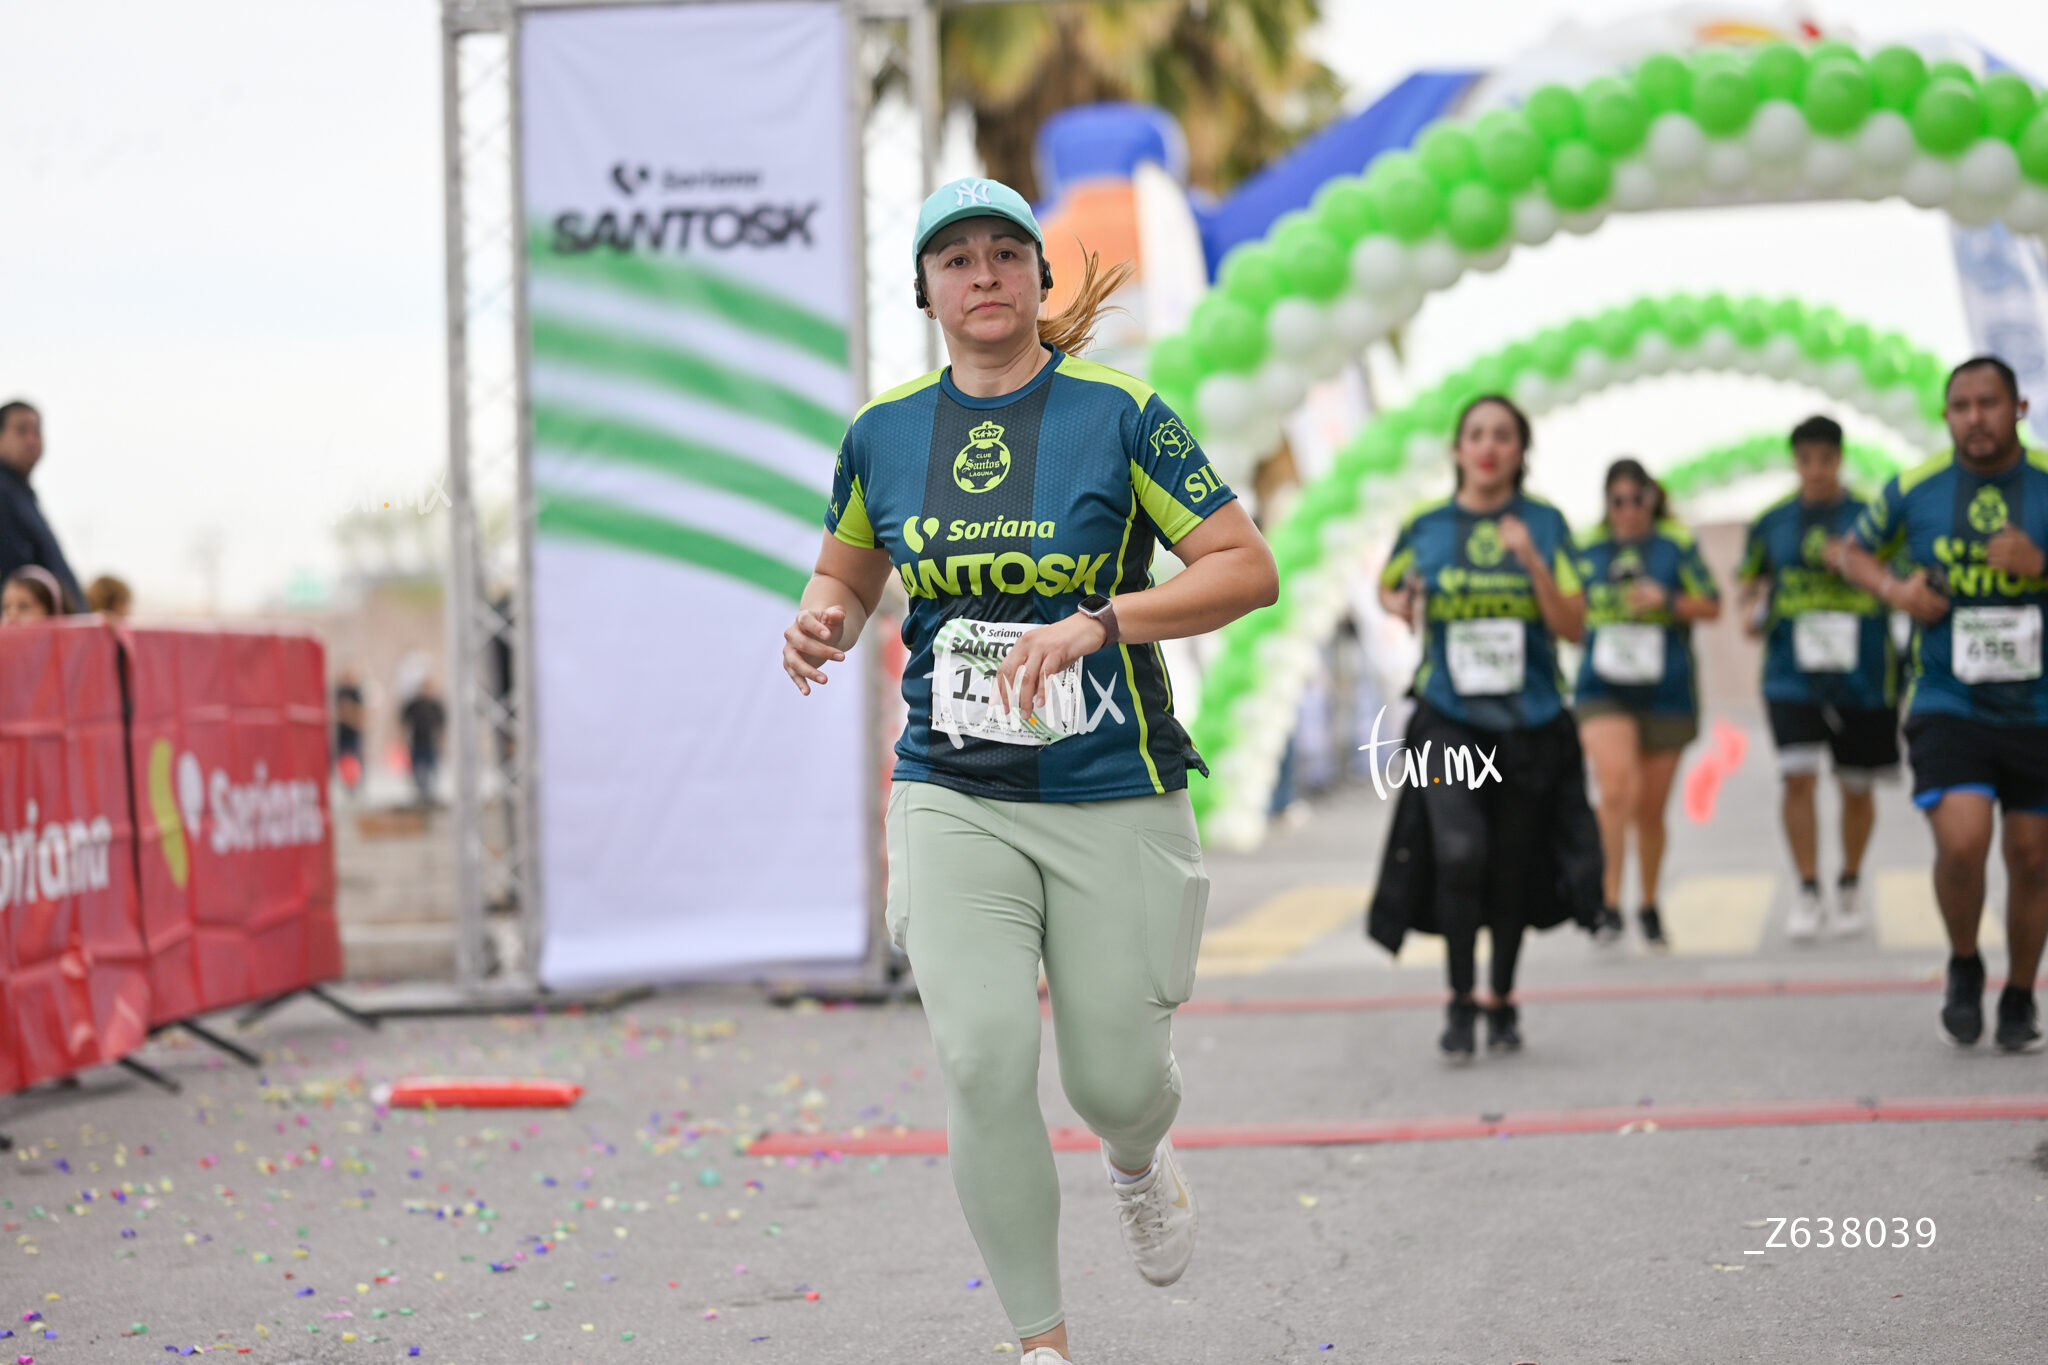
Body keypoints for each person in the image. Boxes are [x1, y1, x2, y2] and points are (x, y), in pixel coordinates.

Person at [781, 177, 1275, 1364]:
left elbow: (1244, 568)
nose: (983, 274)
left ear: (1040, 278)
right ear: (925, 292)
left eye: (1005, 252)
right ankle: (1038, 1346)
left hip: (1112, 784)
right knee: (981, 1059)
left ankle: (1136, 1160)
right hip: (951, 787)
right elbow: (845, 572)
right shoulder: (883, 433)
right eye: (955, 259)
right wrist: (820, 618)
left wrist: (1101, 621)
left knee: (1114, 1083)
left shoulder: (1121, 414)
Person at [1366, 395, 1602, 1060]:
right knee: (1460, 849)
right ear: (1458, 449)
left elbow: (1574, 626)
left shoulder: (1545, 524)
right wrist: (1402, 601)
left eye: (1502, 435)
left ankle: (1500, 998)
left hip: (1530, 721)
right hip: (1449, 716)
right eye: (1476, 434)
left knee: (1511, 864)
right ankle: (1459, 998)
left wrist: (1531, 561)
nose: (1488, 446)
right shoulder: (1427, 524)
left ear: (1521, 450)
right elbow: (1389, 586)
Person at [1836, 356, 2048, 1052]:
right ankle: (1964, 963)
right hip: (1948, 699)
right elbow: (1853, 552)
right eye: (1961, 406)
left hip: (2040, 708)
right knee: (1962, 843)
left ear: (2018, 409)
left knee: (2034, 858)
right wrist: (1896, 590)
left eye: (1989, 403)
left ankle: (2020, 994)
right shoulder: (1914, 487)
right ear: (1946, 416)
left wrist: (2041, 566)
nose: (1975, 418)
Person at [1737, 416, 1898, 940]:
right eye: (1806, 460)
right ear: (1795, 462)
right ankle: (1807, 889)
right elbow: (1749, 581)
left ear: (1840, 459)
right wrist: (1751, 608)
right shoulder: (1772, 521)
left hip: (1862, 676)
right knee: (1796, 777)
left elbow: (1904, 580)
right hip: (1791, 675)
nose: (1816, 470)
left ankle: (1849, 881)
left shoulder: (1872, 518)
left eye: (1825, 459)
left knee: (1856, 786)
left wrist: (1854, 564)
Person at [1572, 459, 1722, 949]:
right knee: (1616, 790)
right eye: (1618, 501)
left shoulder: (1675, 545)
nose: (1629, 511)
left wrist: (1668, 601)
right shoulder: (1587, 550)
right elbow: (1564, 609)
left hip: (1665, 691)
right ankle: (1609, 901)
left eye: (1638, 500)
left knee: (1650, 811)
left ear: (1653, 500)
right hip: (1602, 688)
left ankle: (1649, 903)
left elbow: (1713, 603)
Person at [0, 401, 83, 611]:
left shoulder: (20, 493)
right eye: (21, 431)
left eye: (36, 431)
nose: (31, 439)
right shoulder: (5, 493)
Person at [400, 677, 447, 807]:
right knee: (417, 767)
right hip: (416, 740)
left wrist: (442, 740)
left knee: (431, 767)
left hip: (431, 741)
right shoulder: (414, 705)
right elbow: (404, 720)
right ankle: (420, 791)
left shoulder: (435, 705)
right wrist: (402, 737)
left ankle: (430, 791)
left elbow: (441, 724)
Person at [335, 667, 368, 794]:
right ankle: (348, 782)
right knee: (344, 758)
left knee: (355, 757)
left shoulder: (356, 693)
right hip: (343, 732)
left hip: (354, 731)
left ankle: (355, 782)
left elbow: (360, 712)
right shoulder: (340, 692)